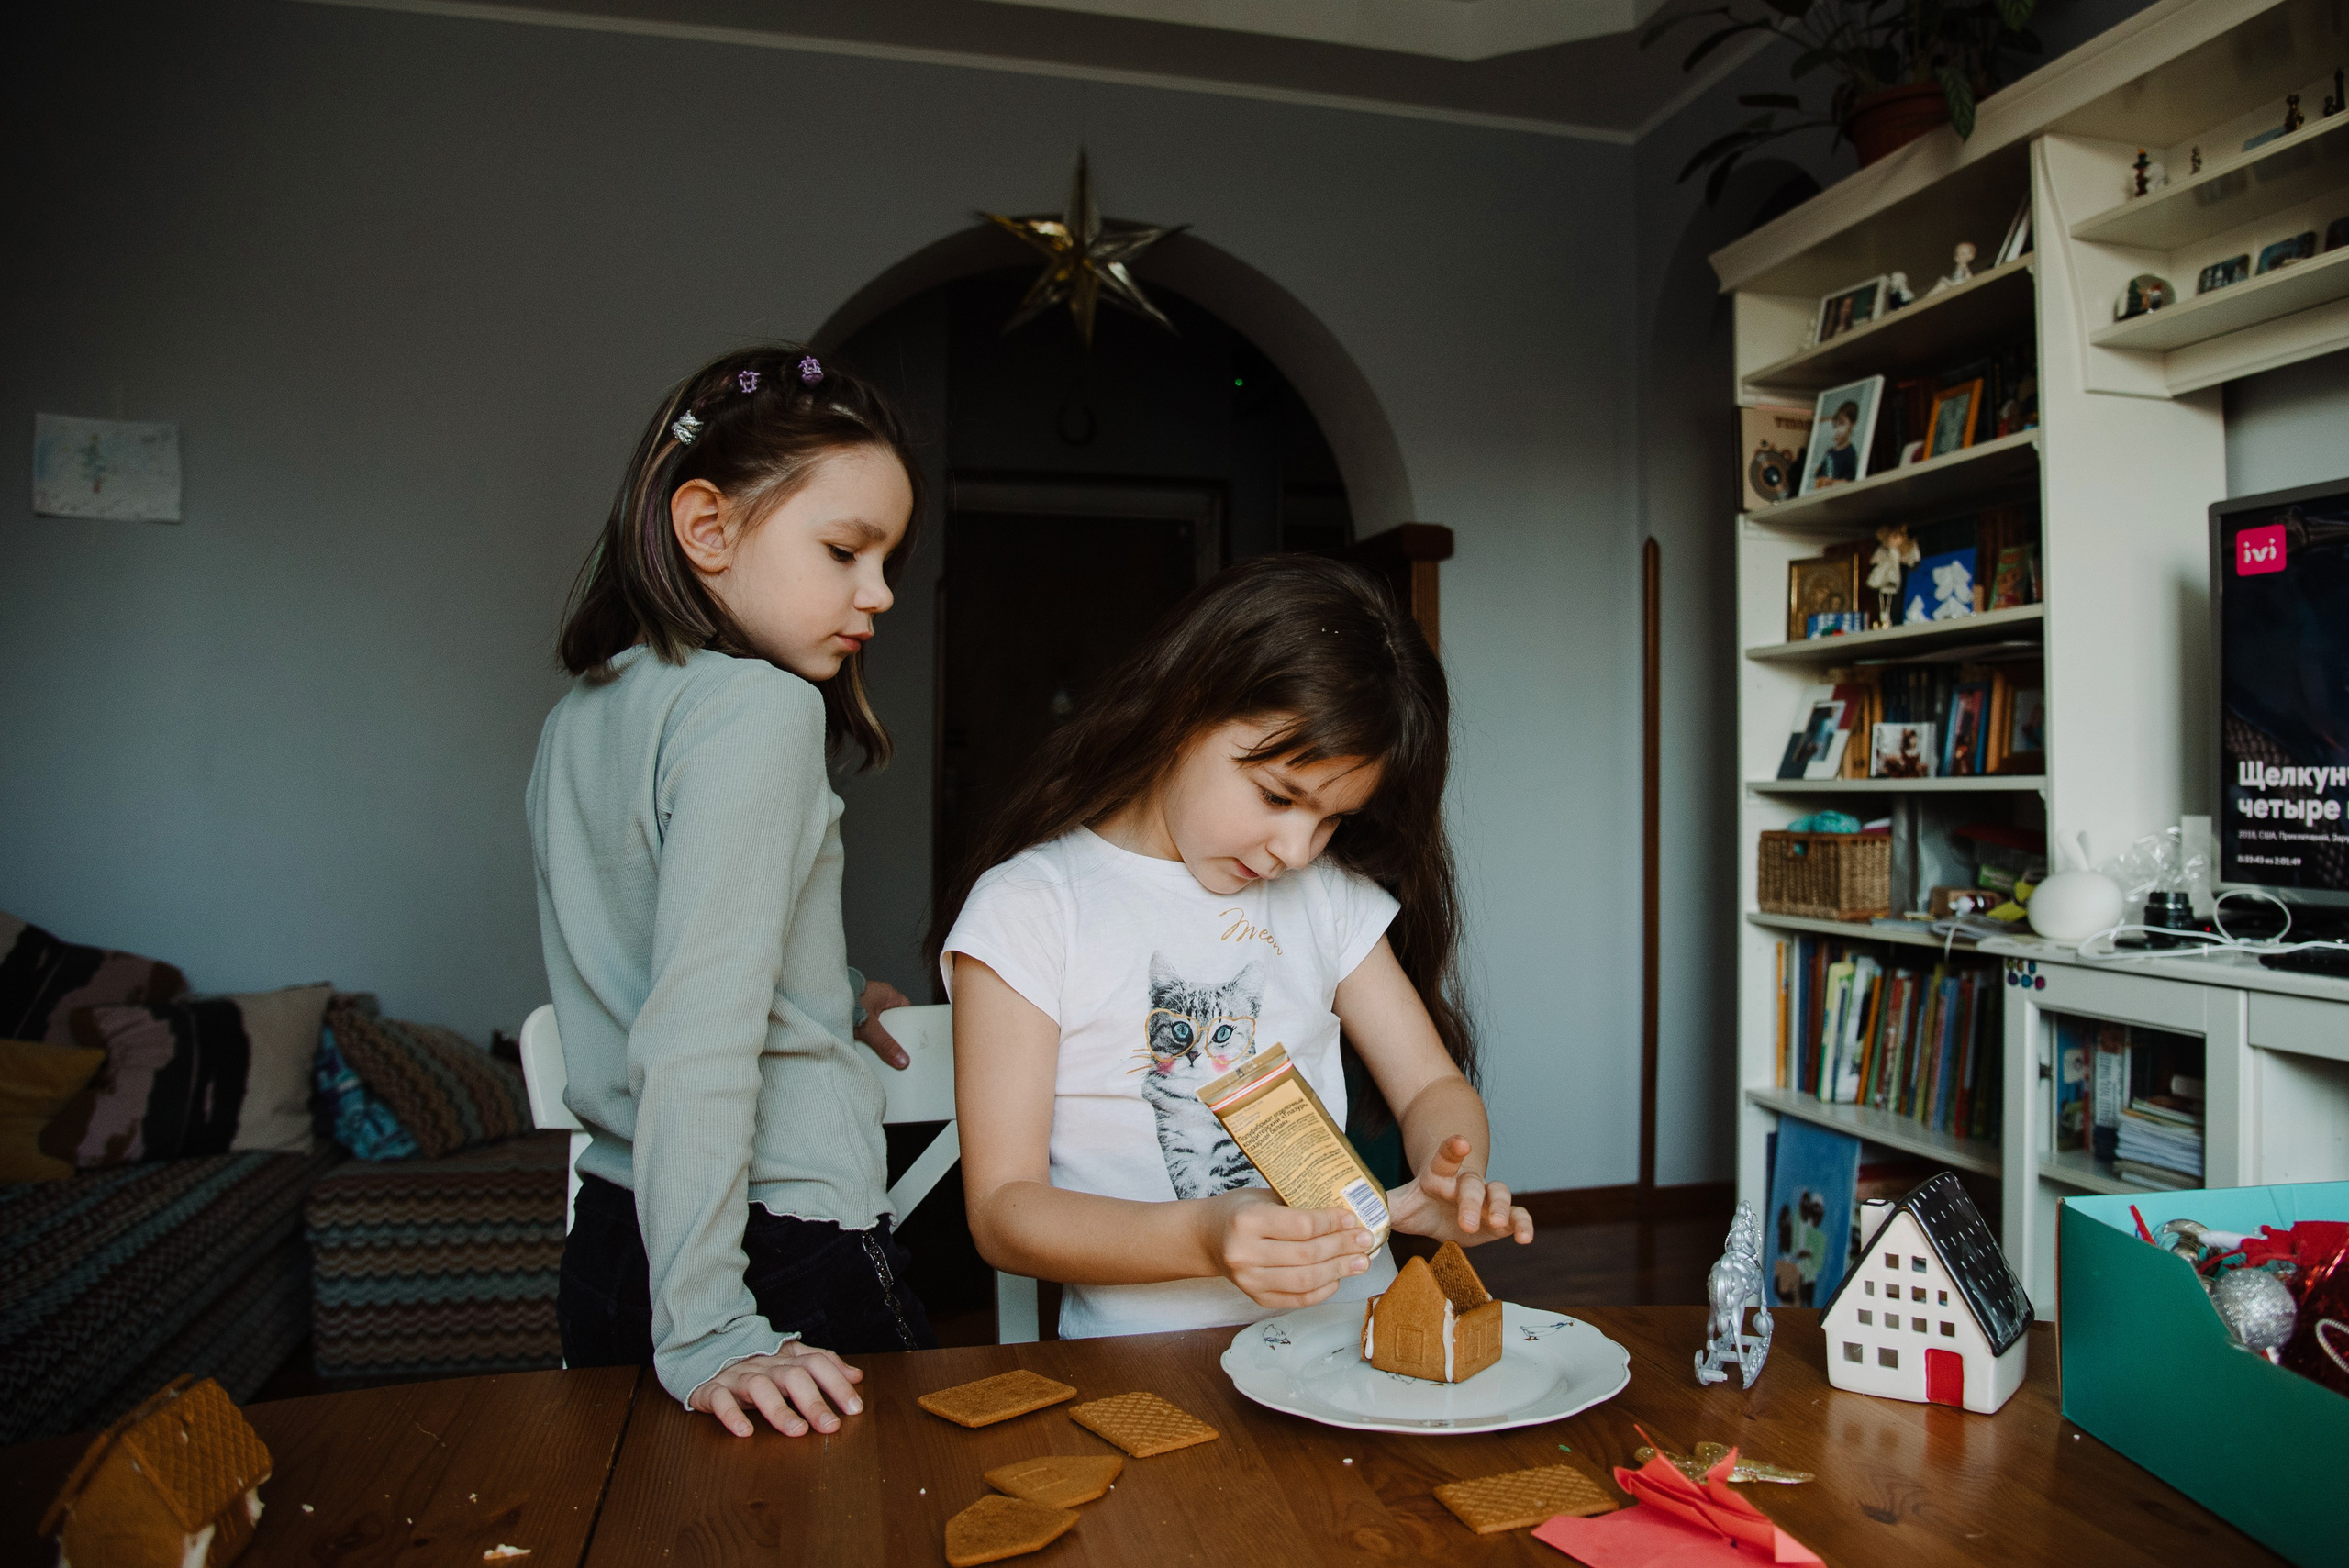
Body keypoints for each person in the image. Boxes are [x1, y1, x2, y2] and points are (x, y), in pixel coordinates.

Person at [931, 556, 1533, 1340]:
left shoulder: (1325, 897)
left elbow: (1430, 1087)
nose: (1295, 848)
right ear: (1185, 708)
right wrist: (1204, 1237)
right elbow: (1003, 1213)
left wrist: (1453, 1169)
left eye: (1330, 820)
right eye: (1279, 796)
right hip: (1147, 1366)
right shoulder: (1034, 908)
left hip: (1349, 1341)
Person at [528, 343, 935, 1440]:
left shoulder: (582, 714)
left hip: (618, 1236)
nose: (880, 592)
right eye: (845, 549)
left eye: (888, 557)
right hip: (765, 1252)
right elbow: (698, 1034)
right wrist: (710, 1325)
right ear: (704, 527)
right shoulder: (761, 711)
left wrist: (828, 987)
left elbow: (656, 942)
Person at [1812, 401, 1861, 487]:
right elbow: (1818, 474)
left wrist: (1832, 482)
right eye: (1835, 426)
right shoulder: (1830, 452)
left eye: (1842, 424)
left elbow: (1849, 480)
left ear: (1852, 424)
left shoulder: (1850, 453)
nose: (1837, 430)